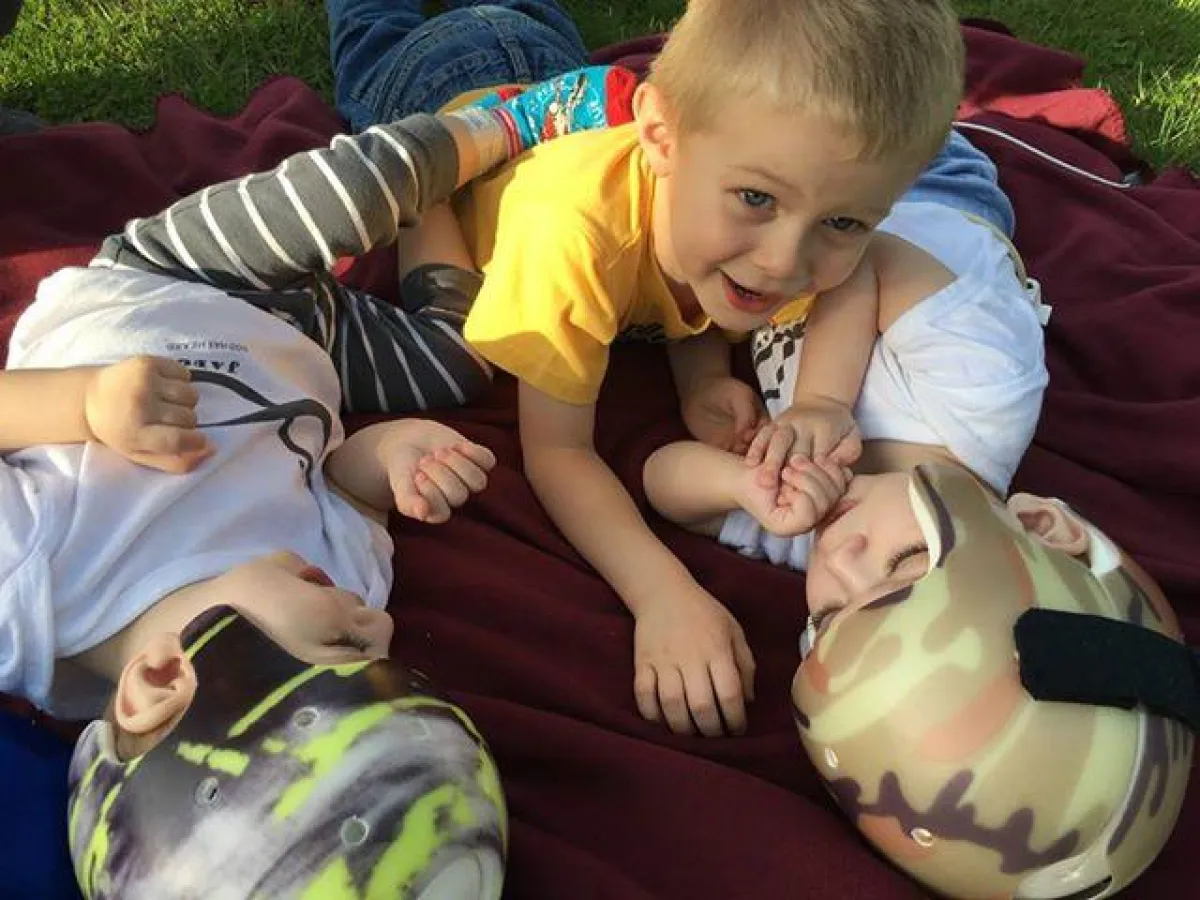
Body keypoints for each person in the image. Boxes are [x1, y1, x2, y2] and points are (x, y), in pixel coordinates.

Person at [325, 0, 968, 738]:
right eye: (756, 199)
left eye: (844, 223)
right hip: (442, 90)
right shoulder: (571, 234)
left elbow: (689, 283)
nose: (784, 262)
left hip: (558, 88)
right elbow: (558, 454)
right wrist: (665, 597)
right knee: (376, 30)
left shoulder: (762, 211)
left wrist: (728, 384)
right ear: (661, 137)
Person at [0, 103, 555, 896]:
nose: (380, 627)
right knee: (461, 361)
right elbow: (347, 487)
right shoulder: (339, 587)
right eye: (383, 659)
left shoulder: (30, 584)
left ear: (163, 677)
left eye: (345, 650)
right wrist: (395, 457)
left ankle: (513, 120)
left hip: (170, 284)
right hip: (314, 347)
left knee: (352, 192)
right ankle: (444, 170)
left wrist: (83, 405)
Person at [643, 128, 1050, 627]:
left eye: (832, 615)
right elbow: (871, 258)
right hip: (917, 189)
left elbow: (660, 482)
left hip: (803, 241)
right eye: (906, 561)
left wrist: (743, 482)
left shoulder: (815, 525)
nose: (841, 560)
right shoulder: (987, 392)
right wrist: (822, 401)